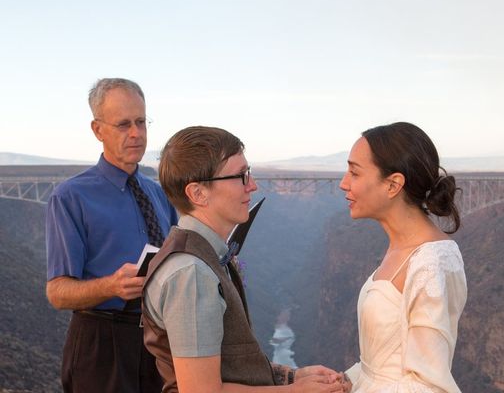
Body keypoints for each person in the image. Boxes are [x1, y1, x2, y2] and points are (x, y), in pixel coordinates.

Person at [142, 126, 346, 393]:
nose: (253, 185)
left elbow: (228, 363)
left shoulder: (202, 257)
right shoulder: (191, 273)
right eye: (241, 176)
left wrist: (292, 376)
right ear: (198, 193)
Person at [46, 78, 178, 393]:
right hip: (102, 345)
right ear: (97, 130)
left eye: (141, 121)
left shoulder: (159, 194)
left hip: (159, 341)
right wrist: (112, 285)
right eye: (123, 124)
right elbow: (57, 292)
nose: (136, 133)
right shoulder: (70, 197)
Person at [339, 122, 467, 393]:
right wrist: (346, 380)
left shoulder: (432, 263)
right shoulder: (399, 248)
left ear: (394, 184)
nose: (343, 183)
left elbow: (429, 384)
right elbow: (386, 362)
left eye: (354, 172)